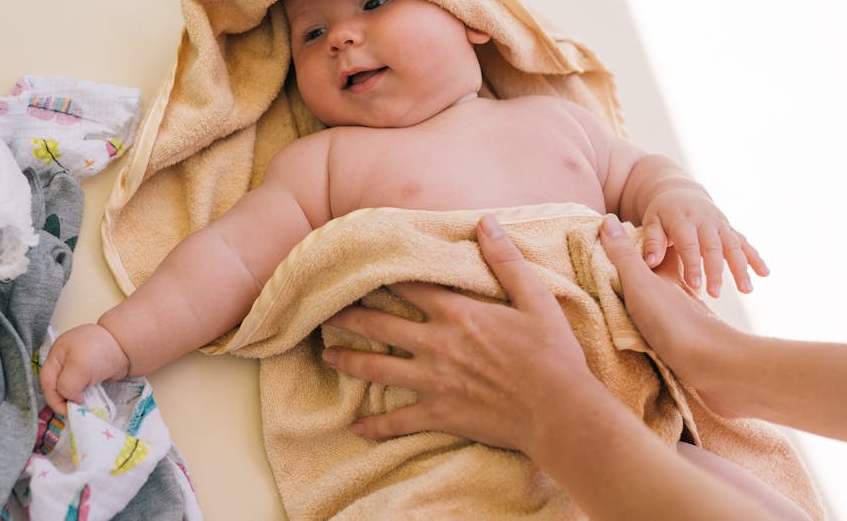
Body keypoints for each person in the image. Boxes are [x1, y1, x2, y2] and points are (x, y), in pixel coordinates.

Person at [39, 0, 778, 508]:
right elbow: (228, 260)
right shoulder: (328, 162)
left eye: (375, 3)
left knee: (734, 492)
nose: (341, 37)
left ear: (470, 19)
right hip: (454, 440)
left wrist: (682, 202)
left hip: (625, 414)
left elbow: (642, 174)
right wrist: (119, 340)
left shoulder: (554, 121)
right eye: (310, 34)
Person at [320, 213, 847, 519]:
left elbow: (625, 166)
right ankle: (724, 367)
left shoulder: (548, 120)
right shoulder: (332, 155)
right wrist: (719, 357)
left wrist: (548, 407)